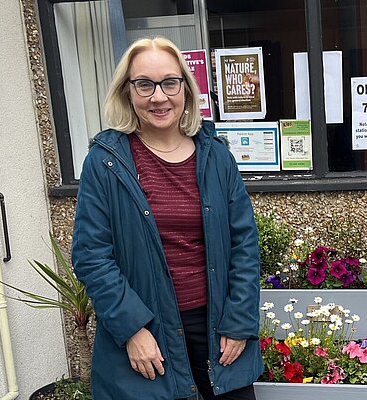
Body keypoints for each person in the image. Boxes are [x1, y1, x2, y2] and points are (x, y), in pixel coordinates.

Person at [71, 36, 263, 400]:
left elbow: (244, 244)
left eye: (169, 83)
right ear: (128, 92)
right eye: (144, 84)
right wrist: (131, 330)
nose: (158, 97)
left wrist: (238, 323)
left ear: (186, 90)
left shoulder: (217, 157)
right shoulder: (106, 161)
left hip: (219, 332)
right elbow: (91, 255)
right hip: (148, 335)